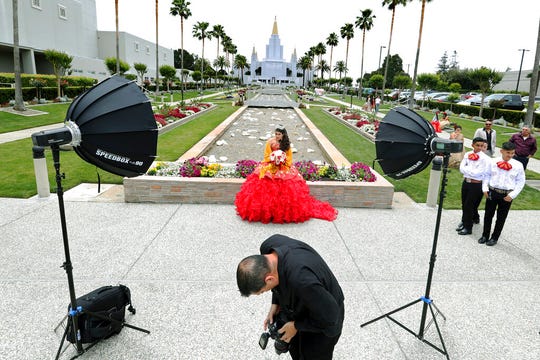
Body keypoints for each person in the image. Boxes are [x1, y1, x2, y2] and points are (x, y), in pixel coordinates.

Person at [236, 234, 345, 360]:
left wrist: (296, 326)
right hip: (301, 304)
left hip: (323, 317)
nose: (265, 292)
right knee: (295, 351)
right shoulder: (268, 247)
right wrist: (275, 303)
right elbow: (278, 278)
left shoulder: (301, 279)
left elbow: (331, 316)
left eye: (262, 291)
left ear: (269, 279)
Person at [234, 125, 338, 224]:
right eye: (275, 134)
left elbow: (289, 158)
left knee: (288, 184)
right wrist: (273, 160)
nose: (276, 136)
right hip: (270, 164)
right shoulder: (270, 142)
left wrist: (282, 161)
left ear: (283, 134)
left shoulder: (286, 144)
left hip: (283, 166)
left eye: (279, 134)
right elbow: (266, 155)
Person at [478, 142, 526, 246]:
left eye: (512, 153)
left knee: (501, 217)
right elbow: (486, 175)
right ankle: (485, 235)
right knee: (488, 215)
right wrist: (485, 188)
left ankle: (495, 237)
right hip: (492, 192)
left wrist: (512, 195)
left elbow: (520, 181)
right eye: (508, 152)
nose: (510, 155)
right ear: (501, 151)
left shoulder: (518, 165)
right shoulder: (492, 161)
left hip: (507, 195)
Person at [456, 137, 490, 235]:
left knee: (469, 205)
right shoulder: (467, 154)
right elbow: (462, 168)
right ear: (472, 145)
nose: (479, 147)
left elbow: (479, 172)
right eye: (477, 145)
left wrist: (468, 171)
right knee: (464, 203)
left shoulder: (485, 159)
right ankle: (466, 220)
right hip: (466, 182)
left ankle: (468, 227)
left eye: (481, 146)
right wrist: (470, 172)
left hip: (476, 184)